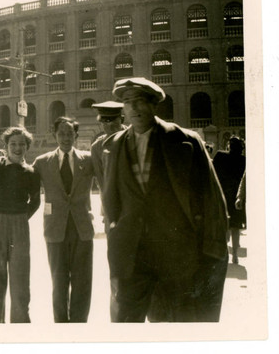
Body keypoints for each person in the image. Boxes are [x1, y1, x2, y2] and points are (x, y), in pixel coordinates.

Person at [101, 77, 229, 322]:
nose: (134, 108)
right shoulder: (113, 146)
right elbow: (111, 201)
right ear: (123, 109)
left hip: (177, 255)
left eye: (140, 101)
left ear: (153, 105)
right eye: (128, 102)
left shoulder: (186, 141)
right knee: (125, 323)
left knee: (176, 322)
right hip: (131, 256)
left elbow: (212, 198)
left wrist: (213, 249)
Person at [0, 126, 41, 323]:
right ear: (6, 146)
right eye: (13, 144)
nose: (17, 148)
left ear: (27, 147)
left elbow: (35, 201)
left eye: (22, 144)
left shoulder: (31, 172)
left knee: (20, 284)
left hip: (19, 225)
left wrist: (21, 218)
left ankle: (19, 330)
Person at [33, 116, 95, 323]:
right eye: (61, 133)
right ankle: (61, 324)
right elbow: (23, 176)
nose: (66, 137)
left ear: (76, 136)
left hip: (82, 228)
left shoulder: (88, 160)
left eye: (70, 133)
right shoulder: (42, 163)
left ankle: (79, 323)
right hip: (55, 228)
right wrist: (1, 160)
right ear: (54, 135)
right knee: (58, 281)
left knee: (83, 281)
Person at [90, 101, 127, 320]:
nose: (108, 125)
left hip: (141, 211)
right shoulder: (97, 147)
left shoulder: (134, 138)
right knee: (116, 264)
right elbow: (101, 183)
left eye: (112, 120)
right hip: (114, 213)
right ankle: (119, 314)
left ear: (122, 120)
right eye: (104, 121)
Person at [213, 136, 246, 264]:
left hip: (222, 195)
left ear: (229, 146)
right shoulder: (244, 160)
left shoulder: (220, 156)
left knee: (224, 225)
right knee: (236, 227)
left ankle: (226, 252)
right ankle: (235, 255)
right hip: (237, 197)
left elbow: (213, 173)